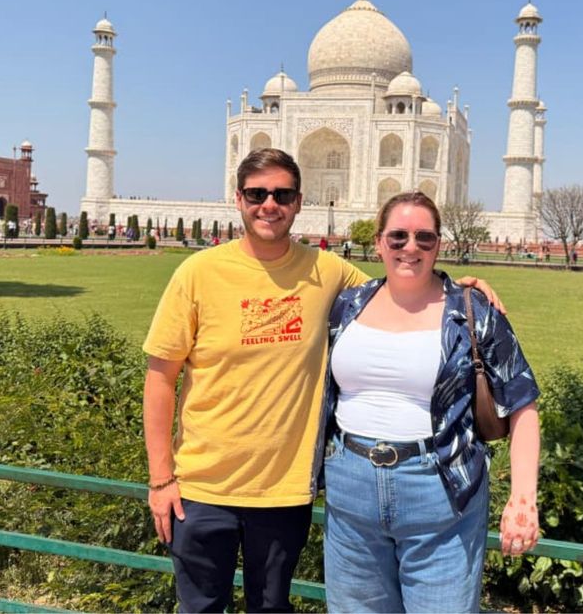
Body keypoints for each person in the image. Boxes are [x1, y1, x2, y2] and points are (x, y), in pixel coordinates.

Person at [142, 149, 502, 613]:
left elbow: (396, 286)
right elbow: (160, 378)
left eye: (282, 194)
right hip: (201, 487)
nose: (269, 204)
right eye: (257, 194)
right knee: (200, 608)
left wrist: (457, 289)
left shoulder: (326, 271)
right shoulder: (198, 273)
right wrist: (160, 479)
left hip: (283, 490)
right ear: (238, 199)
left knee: (271, 608)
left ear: (298, 201)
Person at [322, 192, 540, 613]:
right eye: (398, 236)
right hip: (351, 489)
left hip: (440, 489)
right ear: (379, 242)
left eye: (424, 238)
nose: (411, 247)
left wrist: (522, 499)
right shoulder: (349, 304)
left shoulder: (470, 311)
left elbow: (523, 405)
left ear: (438, 245)